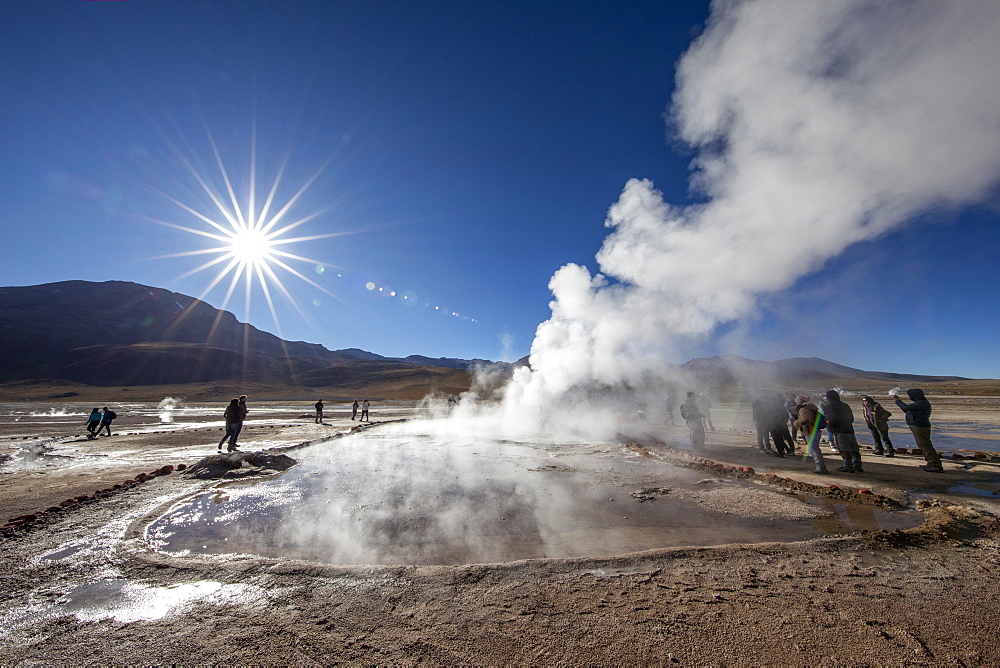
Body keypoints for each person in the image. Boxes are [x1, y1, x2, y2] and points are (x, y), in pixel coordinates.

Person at [894, 388, 943, 472]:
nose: (910, 397)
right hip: (918, 426)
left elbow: (906, 407)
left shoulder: (921, 403)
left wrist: (897, 401)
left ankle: (936, 465)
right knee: (923, 445)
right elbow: (907, 410)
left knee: (925, 445)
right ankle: (930, 463)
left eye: (910, 395)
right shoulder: (919, 403)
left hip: (920, 426)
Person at [825, 389, 863, 473]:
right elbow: (851, 418)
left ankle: (848, 466)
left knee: (844, 449)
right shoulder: (845, 405)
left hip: (840, 431)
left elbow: (832, 419)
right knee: (854, 449)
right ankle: (857, 465)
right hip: (849, 429)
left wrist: (830, 427)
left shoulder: (831, 407)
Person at [794, 395, 828, 474]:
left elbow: (806, 419)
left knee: (814, 449)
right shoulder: (811, 408)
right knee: (815, 449)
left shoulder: (803, 410)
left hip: (810, 431)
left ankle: (821, 468)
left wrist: (796, 423)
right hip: (815, 431)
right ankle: (821, 467)